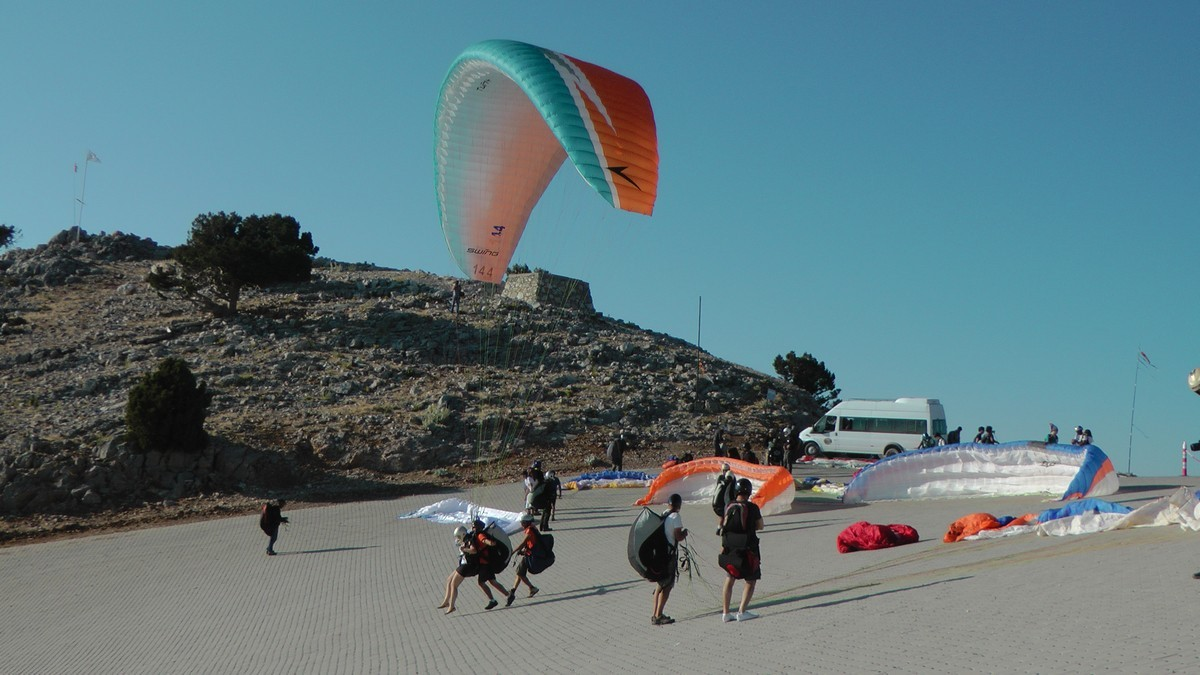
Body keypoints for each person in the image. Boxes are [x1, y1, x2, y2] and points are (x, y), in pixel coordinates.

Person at [718, 478, 763, 622]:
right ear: (749, 492)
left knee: (729, 578)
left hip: (730, 546)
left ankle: (725, 613)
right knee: (751, 580)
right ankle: (742, 611)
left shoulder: (729, 505)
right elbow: (760, 525)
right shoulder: (752, 507)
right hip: (748, 547)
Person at [652, 493, 688, 625]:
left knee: (659, 585)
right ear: (679, 505)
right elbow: (678, 537)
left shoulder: (664, 513)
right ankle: (659, 615)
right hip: (669, 555)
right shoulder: (675, 516)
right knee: (667, 586)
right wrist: (684, 533)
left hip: (660, 554)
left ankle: (654, 614)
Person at [437, 525, 478, 614]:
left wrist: (464, 549)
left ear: (463, 534)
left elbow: (474, 550)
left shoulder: (470, 540)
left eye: (459, 536)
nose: (458, 538)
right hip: (463, 564)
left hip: (468, 566)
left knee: (454, 585)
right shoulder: (465, 539)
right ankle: (446, 602)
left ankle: (452, 606)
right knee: (449, 580)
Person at [470, 520, 509, 610]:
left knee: (481, 582)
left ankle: (492, 600)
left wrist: (490, 543)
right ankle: (508, 595)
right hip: (487, 562)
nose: (473, 528)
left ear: (478, 527)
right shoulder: (477, 534)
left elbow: (484, 540)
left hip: (485, 563)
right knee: (492, 581)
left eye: (474, 527)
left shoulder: (480, 535)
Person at [506, 513, 541, 606]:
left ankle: (532, 588)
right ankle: (513, 590)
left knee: (519, 572)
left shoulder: (529, 531)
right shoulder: (532, 527)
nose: (521, 524)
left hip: (530, 555)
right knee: (520, 572)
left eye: (522, 523)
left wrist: (513, 552)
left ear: (526, 523)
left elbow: (523, 543)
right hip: (529, 553)